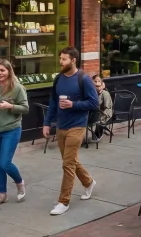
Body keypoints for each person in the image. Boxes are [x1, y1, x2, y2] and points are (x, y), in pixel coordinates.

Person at [42, 47, 99, 215]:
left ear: (73, 60)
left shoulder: (84, 79)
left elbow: (94, 103)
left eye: (65, 59)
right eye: (60, 59)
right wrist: (47, 123)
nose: (61, 62)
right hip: (61, 125)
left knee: (67, 164)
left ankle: (63, 201)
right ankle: (88, 182)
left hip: (77, 125)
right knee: (71, 160)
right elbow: (53, 102)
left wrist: (73, 105)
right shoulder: (58, 79)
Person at [0, 58, 28, 206]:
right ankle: (2, 195)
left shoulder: (17, 88)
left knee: (5, 163)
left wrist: (10, 106)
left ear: (9, 71)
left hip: (11, 129)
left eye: (2, 70)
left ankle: (20, 183)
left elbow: (25, 108)